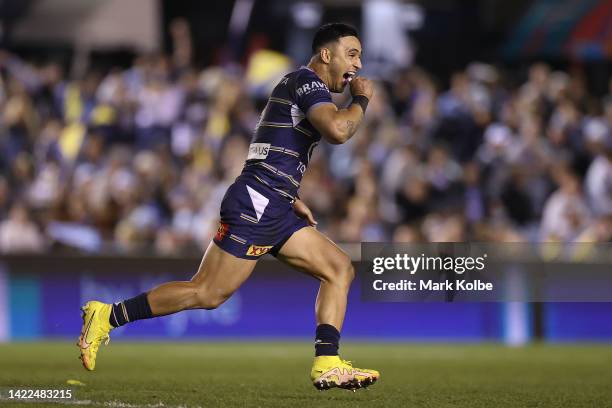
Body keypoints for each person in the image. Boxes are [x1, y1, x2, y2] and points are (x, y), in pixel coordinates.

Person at [77, 22, 379, 391]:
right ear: (326, 55)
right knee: (207, 292)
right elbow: (338, 130)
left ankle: (327, 363)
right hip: (258, 202)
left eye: (360, 56)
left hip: (274, 202)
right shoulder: (306, 83)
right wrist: (360, 100)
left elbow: (268, 143)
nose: (359, 64)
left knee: (338, 268)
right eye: (352, 53)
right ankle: (107, 315)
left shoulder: (298, 86)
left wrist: (290, 195)